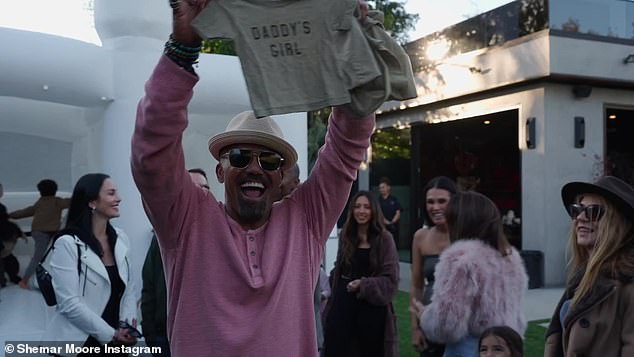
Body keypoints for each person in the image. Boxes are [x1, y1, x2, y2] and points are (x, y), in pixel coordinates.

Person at [129, 1, 375, 355]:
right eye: (241, 156)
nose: (255, 168)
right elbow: (151, 154)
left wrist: (351, 58)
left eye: (271, 159)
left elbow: (346, 149)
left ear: (281, 175)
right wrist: (183, 47)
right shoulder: (187, 220)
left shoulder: (305, 220)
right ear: (219, 170)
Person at [411, 191, 528, 357]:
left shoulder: (460, 259)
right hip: (505, 347)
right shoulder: (509, 257)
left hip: (468, 348)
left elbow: (447, 326)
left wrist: (424, 316)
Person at [40, 173, 138, 354]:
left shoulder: (121, 238)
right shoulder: (67, 243)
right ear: (92, 202)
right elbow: (69, 303)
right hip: (77, 345)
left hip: (116, 345)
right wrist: (111, 335)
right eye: (111, 193)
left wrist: (127, 326)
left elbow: (129, 291)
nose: (119, 198)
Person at [545, 176, 634, 357]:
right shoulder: (583, 277)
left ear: (618, 222)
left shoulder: (628, 284)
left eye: (593, 212)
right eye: (577, 210)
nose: (581, 218)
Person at [141, 168, 209, 357]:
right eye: (194, 187)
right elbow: (149, 286)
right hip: (165, 336)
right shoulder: (163, 237)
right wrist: (150, 333)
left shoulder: (220, 235)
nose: (201, 192)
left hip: (207, 336)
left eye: (205, 187)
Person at [323, 191, 399, 357]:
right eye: (357, 207)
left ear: (374, 210)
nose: (361, 211)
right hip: (343, 305)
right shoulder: (346, 235)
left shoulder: (385, 239)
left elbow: (391, 280)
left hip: (371, 311)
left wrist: (364, 285)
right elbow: (339, 269)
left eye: (366, 207)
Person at [410, 176, 458, 356]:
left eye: (442, 201)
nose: (435, 207)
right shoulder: (421, 237)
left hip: (461, 329)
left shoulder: (467, 234)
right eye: (430, 202)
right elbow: (416, 285)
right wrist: (415, 328)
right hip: (429, 325)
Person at [9, 179, 70, 288]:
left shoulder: (40, 202)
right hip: (49, 232)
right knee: (46, 256)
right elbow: (72, 202)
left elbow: (25, 212)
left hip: (38, 232)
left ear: (40, 191)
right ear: (55, 190)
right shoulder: (57, 201)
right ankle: (25, 280)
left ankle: (26, 280)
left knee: (38, 257)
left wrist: (9, 215)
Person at [0, 204, 26, 287]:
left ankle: (5, 279)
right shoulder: (12, 226)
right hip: (6, 253)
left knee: (10, 262)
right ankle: (9, 278)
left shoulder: (12, 226)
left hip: (5, 252)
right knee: (11, 264)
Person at [378, 177, 402, 248]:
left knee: (394, 247)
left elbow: (398, 212)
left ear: (388, 188)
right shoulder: (378, 201)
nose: (381, 189)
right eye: (380, 188)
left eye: (383, 187)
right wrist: (386, 222)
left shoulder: (394, 199)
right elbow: (378, 213)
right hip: (382, 228)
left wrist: (392, 222)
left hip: (394, 228)